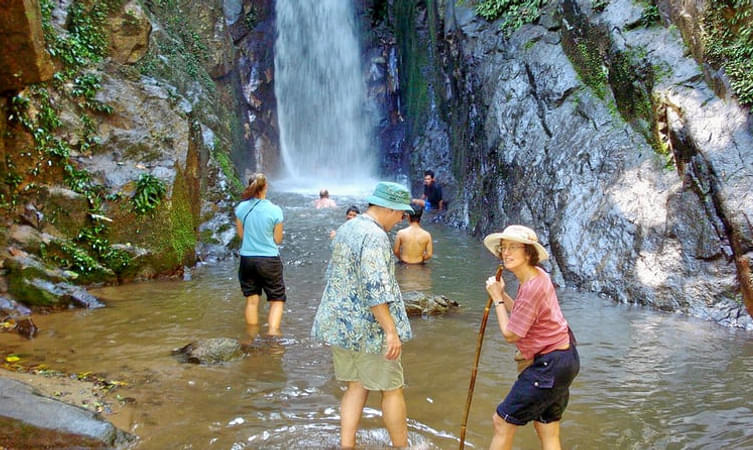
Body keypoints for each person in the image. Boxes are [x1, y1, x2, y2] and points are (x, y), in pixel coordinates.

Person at [312, 182, 414, 448]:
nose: (402, 219)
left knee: (355, 386)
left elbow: (333, 276)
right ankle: (402, 447)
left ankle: (347, 445)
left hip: (341, 326)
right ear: (389, 209)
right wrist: (391, 331)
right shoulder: (376, 236)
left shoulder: (347, 228)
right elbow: (375, 288)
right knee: (392, 389)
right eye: (401, 213)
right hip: (370, 329)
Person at [482, 225, 580, 450]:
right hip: (565, 359)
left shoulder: (532, 287)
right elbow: (523, 314)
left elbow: (511, 334)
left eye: (513, 247)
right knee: (547, 427)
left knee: (502, 421)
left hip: (549, 366)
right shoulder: (537, 277)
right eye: (503, 247)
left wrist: (497, 298)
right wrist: (504, 294)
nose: (506, 252)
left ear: (528, 253)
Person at [234, 173, 286, 335]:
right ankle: (272, 335)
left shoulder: (241, 208)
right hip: (269, 260)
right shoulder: (275, 210)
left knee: (251, 300)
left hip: (247, 259)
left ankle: (251, 337)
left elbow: (241, 235)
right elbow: (277, 239)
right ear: (265, 188)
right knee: (276, 300)